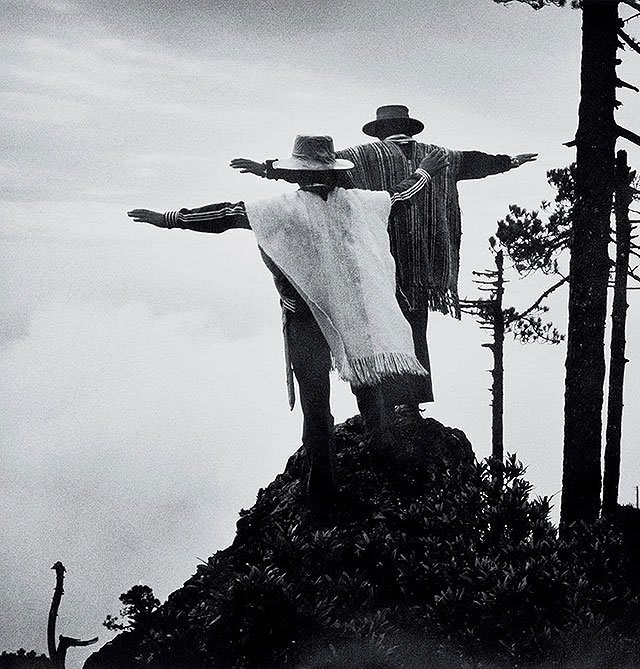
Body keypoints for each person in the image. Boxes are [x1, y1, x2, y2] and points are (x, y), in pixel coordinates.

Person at [128, 134, 448, 502]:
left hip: (305, 320)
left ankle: (324, 497)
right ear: (333, 173)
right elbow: (399, 197)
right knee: (370, 389)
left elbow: (228, 215)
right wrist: (424, 171)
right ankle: (383, 457)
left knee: (316, 411)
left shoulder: (280, 210)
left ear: (296, 175)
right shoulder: (360, 204)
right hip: (355, 315)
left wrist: (171, 219)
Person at [231, 105, 537, 416]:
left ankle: (388, 404)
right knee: (415, 327)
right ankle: (412, 402)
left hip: (378, 256)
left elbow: (316, 169)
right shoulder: (438, 155)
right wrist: (509, 162)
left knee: (383, 327)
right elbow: (474, 162)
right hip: (424, 261)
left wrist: (268, 169)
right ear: (411, 128)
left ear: (378, 131)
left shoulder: (365, 155)